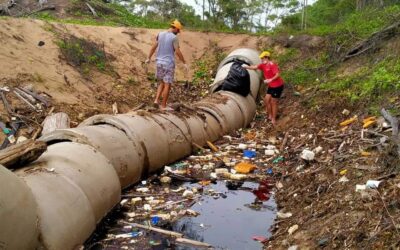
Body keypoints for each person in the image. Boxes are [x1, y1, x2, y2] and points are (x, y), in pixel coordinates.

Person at [145, 19, 188, 110]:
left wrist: (148, 58)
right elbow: (177, 51)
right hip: (168, 64)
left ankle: (156, 101)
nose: (178, 32)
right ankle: (163, 106)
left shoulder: (160, 34)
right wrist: (184, 62)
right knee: (167, 85)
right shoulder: (174, 37)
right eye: (178, 30)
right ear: (175, 28)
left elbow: (154, 47)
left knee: (161, 83)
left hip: (159, 63)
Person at [243, 51, 284, 125]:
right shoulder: (262, 65)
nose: (261, 59)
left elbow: (277, 74)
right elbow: (255, 67)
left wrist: (270, 79)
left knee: (273, 102)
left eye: (262, 58)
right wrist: (246, 66)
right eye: (261, 58)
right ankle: (270, 115)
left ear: (267, 58)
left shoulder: (272, 65)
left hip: (277, 86)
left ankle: (274, 119)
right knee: (266, 100)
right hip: (271, 86)